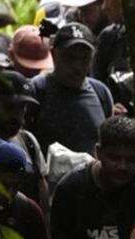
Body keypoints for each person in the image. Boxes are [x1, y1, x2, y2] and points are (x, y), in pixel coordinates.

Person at [27, 22, 114, 155]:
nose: (77, 66)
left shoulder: (101, 93)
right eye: (70, 58)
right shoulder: (37, 90)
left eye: (84, 59)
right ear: (53, 54)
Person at [0, 70, 49, 206]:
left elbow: (42, 193)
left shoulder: (28, 141)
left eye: (22, 108)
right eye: (9, 107)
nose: (16, 116)